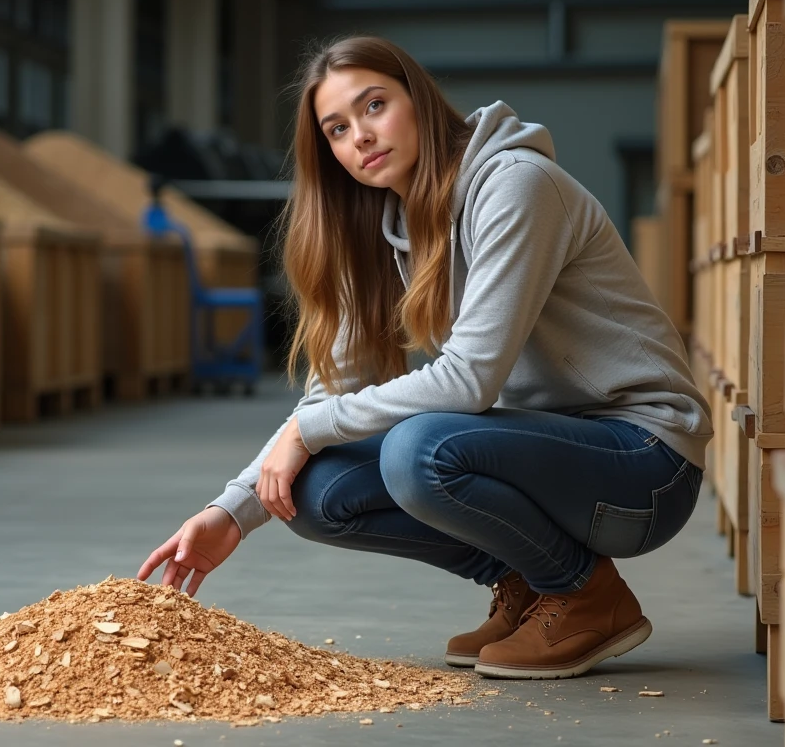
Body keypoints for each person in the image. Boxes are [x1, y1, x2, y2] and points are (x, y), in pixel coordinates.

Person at [137, 35, 713, 681]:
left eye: (374, 105)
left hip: (645, 467)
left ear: (418, 98)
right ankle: (531, 582)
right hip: (556, 460)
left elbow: (469, 380)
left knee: (420, 453)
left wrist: (306, 430)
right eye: (337, 128)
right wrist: (232, 512)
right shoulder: (384, 227)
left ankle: (584, 594)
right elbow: (333, 393)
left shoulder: (515, 186)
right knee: (309, 489)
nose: (360, 135)